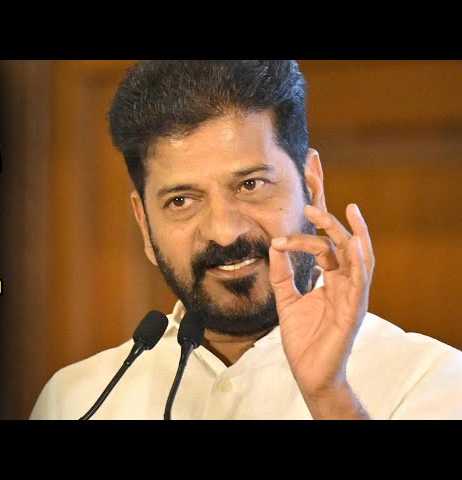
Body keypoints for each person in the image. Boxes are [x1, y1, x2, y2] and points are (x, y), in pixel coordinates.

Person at [30, 60, 462, 420]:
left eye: (251, 184)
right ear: (144, 224)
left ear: (312, 186)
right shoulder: (77, 399)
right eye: (182, 200)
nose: (225, 231)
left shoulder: (432, 381)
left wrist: (330, 398)